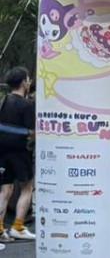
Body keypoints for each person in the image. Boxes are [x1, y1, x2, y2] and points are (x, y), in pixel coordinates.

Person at [0, 67, 35, 243]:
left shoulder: (4, 101)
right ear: (23, 82)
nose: (29, 82)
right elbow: (32, 131)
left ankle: (0, 230)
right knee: (27, 187)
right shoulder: (27, 105)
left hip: (2, 150)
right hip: (21, 151)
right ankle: (18, 227)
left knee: (5, 189)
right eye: (28, 79)